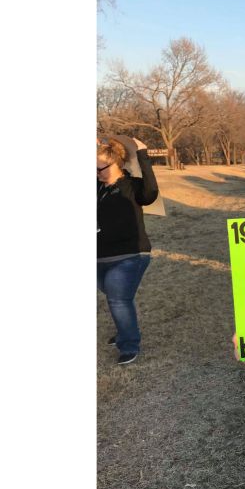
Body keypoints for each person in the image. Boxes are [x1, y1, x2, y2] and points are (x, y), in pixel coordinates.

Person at [97, 136, 159, 365]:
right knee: (115, 295)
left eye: (101, 168)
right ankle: (125, 329)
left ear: (116, 164)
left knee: (118, 298)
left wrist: (142, 154)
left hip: (130, 255)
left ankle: (129, 344)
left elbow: (151, 191)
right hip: (99, 256)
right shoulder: (97, 188)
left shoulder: (133, 186)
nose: (97, 173)